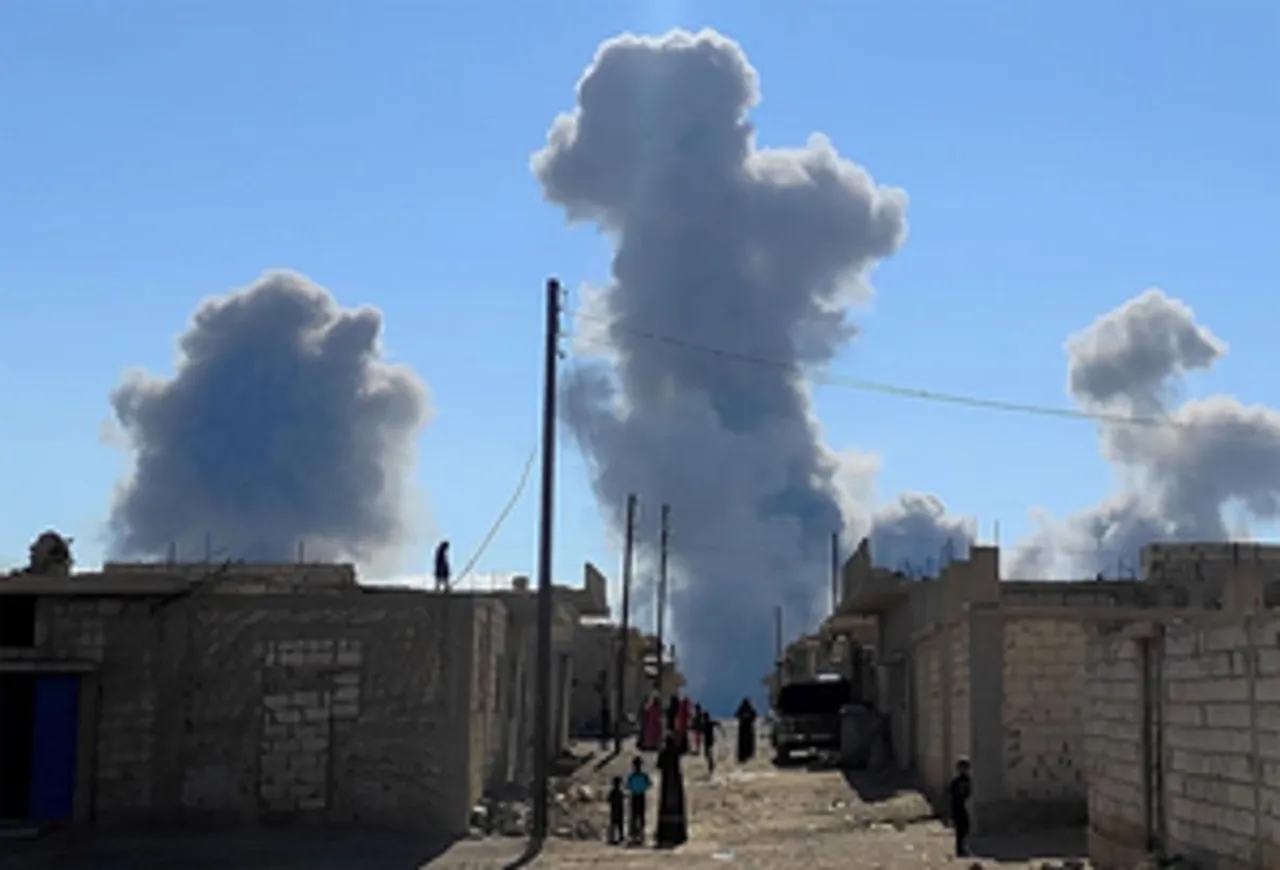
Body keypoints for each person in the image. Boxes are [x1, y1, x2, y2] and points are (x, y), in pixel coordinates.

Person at [654, 734, 688, 848]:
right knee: (676, 807)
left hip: (667, 782)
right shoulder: (676, 752)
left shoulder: (664, 753)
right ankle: (678, 834)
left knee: (666, 807)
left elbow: (659, 765)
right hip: (676, 782)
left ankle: (665, 834)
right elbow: (684, 749)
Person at [948, 758, 973, 858]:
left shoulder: (967, 780)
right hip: (957, 807)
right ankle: (960, 850)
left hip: (964, 807)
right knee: (960, 830)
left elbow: (969, 793)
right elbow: (952, 797)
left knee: (965, 828)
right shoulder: (956, 782)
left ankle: (963, 848)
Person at [625, 755, 652, 845]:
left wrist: (634, 788)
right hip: (640, 795)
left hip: (635, 795)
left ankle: (635, 833)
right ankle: (640, 832)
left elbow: (627, 786)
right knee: (640, 815)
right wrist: (642, 788)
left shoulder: (632, 776)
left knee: (634, 815)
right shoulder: (643, 776)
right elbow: (649, 784)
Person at [734, 697, 758, 763]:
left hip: (745, 728)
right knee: (747, 743)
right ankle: (747, 756)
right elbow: (754, 716)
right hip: (747, 728)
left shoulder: (742, 709)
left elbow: (736, 715)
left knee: (746, 743)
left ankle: (746, 756)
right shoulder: (750, 709)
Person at [607, 776, 625, 844]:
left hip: (614, 809)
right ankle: (619, 837)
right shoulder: (619, 792)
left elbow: (608, 799)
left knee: (614, 824)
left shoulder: (613, 792)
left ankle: (613, 838)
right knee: (619, 824)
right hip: (619, 809)